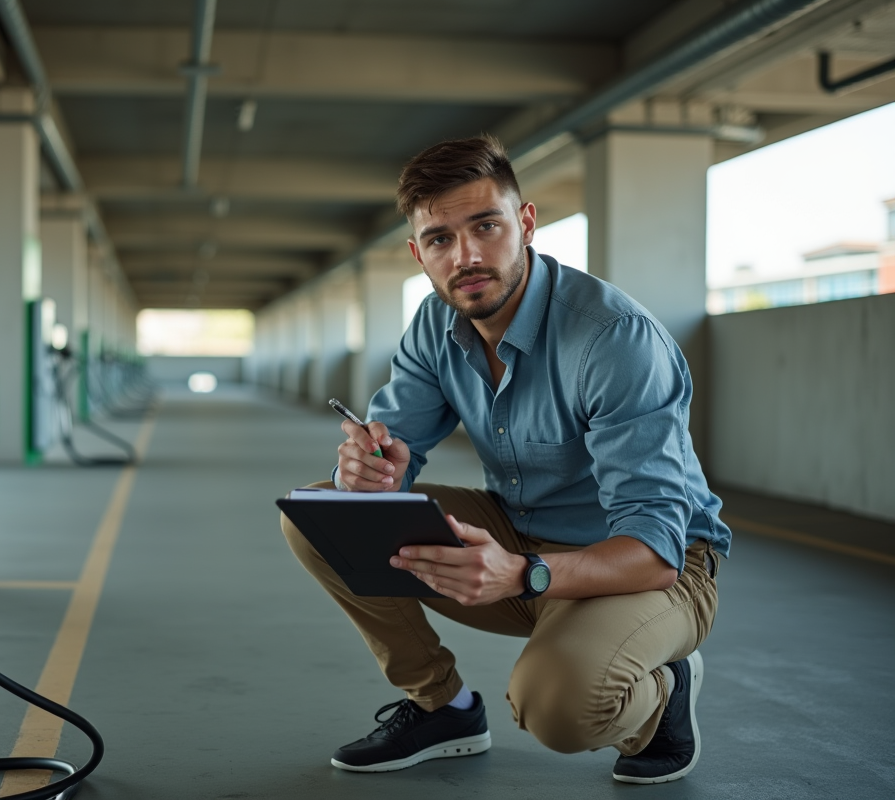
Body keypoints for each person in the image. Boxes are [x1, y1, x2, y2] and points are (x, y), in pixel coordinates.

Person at [279, 135, 730, 785]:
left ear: (524, 222)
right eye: (439, 239)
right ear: (417, 253)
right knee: (320, 513)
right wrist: (372, 470)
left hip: (649, 567)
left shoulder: (611, 337)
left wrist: (523, 573)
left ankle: (660, 696)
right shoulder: (434, 327)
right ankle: (444, 708)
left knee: (560, 709)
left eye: (485, 226)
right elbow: (391, 453)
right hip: (518, 543)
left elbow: (657, 546)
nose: (465, 256)